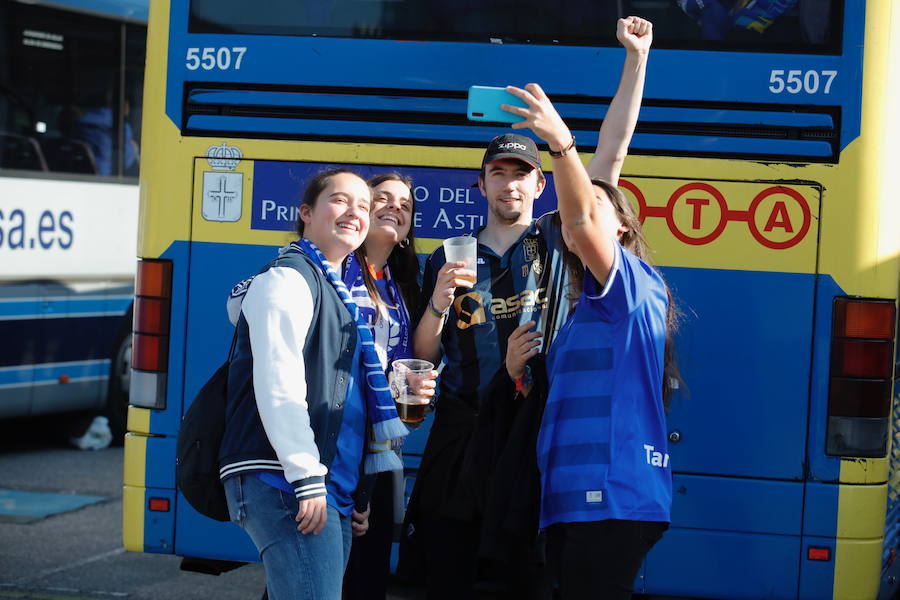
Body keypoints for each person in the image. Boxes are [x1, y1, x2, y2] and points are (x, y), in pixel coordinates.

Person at [401, 16, 654, 600]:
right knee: (445, 572)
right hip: (462, 429)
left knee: (525, 579)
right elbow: (423, 354)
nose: (509, 184)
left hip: (533, 427)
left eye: (522, 174)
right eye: (498, 173)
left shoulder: (557, 239)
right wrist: (438, 303)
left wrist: (636, 60)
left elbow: (609, 159)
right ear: (481, 184)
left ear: (541, 186)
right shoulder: (446, 255)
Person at [502, 65, 679, 600]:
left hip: (610, 496)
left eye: (594, 208)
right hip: (572, 500)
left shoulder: (627, 287)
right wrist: (518, 374)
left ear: (621, 227)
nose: (575, 215)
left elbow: (603, 168)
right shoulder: (588, 310)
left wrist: (560, 144)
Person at [218, 168, 408, 600]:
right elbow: (279, 385)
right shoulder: (289, 278)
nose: (355, 212)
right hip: (286, 478)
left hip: (330, 487)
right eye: (340, 200)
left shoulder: (334, 290)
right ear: (306, 212)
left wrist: (354, 493)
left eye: (364, 205)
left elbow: (344, 401)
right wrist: (306, 478)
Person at [342, 172, 434, 600]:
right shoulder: (331, 266)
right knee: (315, 578)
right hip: (336, 449)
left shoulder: (399, 284)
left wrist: (416, 388)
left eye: (406, 204)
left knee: (367, 578)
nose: (396, 206)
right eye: (382, 198)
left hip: (380, 455)